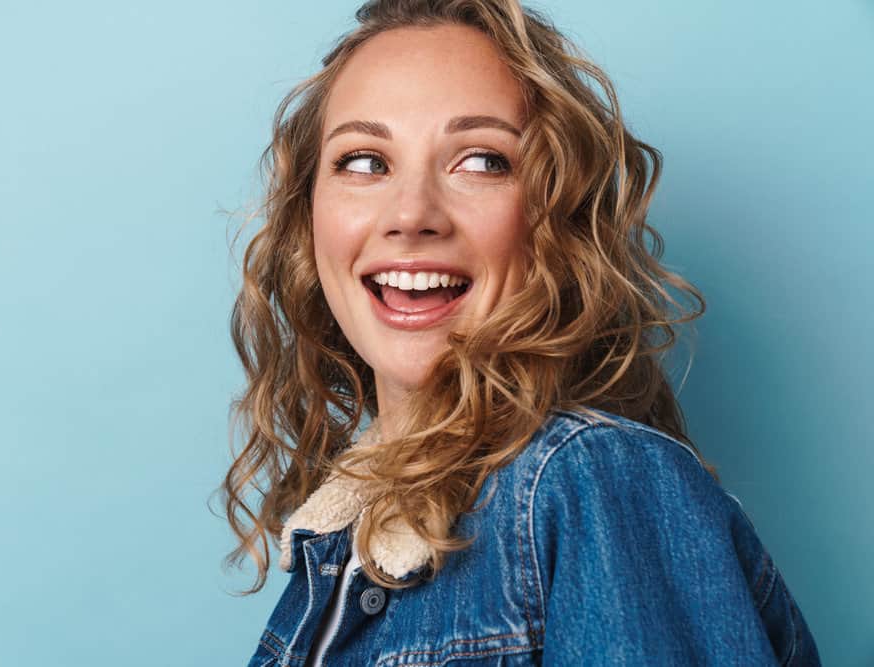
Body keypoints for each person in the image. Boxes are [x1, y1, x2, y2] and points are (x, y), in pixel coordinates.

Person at [222, 0, 822, 664]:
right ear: (309, 216)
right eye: (364, 162)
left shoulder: (593, 481)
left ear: (556, 218)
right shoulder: (338, 544)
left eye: (481, 160)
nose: (411, 214)